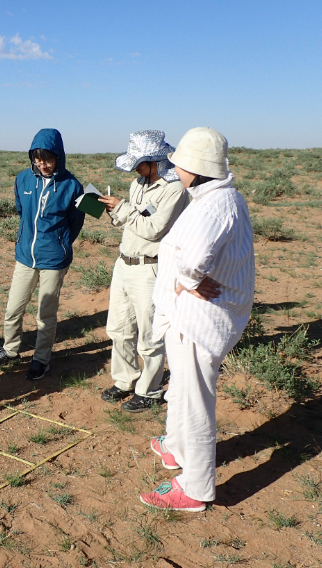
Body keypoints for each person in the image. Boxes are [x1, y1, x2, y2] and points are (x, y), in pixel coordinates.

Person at [139, 127, 255, 511]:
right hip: (194, 316)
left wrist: (186, 283)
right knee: (182, 391)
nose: (174, 167)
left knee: (194, 400)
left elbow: (193, 260)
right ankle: (174, 447)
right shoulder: (215, 197)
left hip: (201, 319)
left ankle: (195, 488)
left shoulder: (213, 205)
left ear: (195, 167)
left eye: (180, 163)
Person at [98, 131, 189, 412]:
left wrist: (123, 210)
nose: (136, 168)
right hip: (124, 264)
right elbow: (130, 222)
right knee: (118, 328)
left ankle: (149, 390)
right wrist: (113, 212)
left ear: (157, 161)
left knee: (149, 334)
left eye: (140, 162)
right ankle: (125, 380)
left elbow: (153, 229)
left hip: (150, 268)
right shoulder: (137, 183)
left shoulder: (174, 189)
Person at [0, 128, 84, 380]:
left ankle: (41, 359)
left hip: (54, 259)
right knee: (13, 309)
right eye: (38, 160)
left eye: (48, 159)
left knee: (45, 315)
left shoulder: (72, 186)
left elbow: (77, 222)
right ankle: (10, 350)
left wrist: (60, 244)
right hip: (25, 256)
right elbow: (22, 212)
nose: (43, 165)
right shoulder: (22, 180)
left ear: (59, 157)